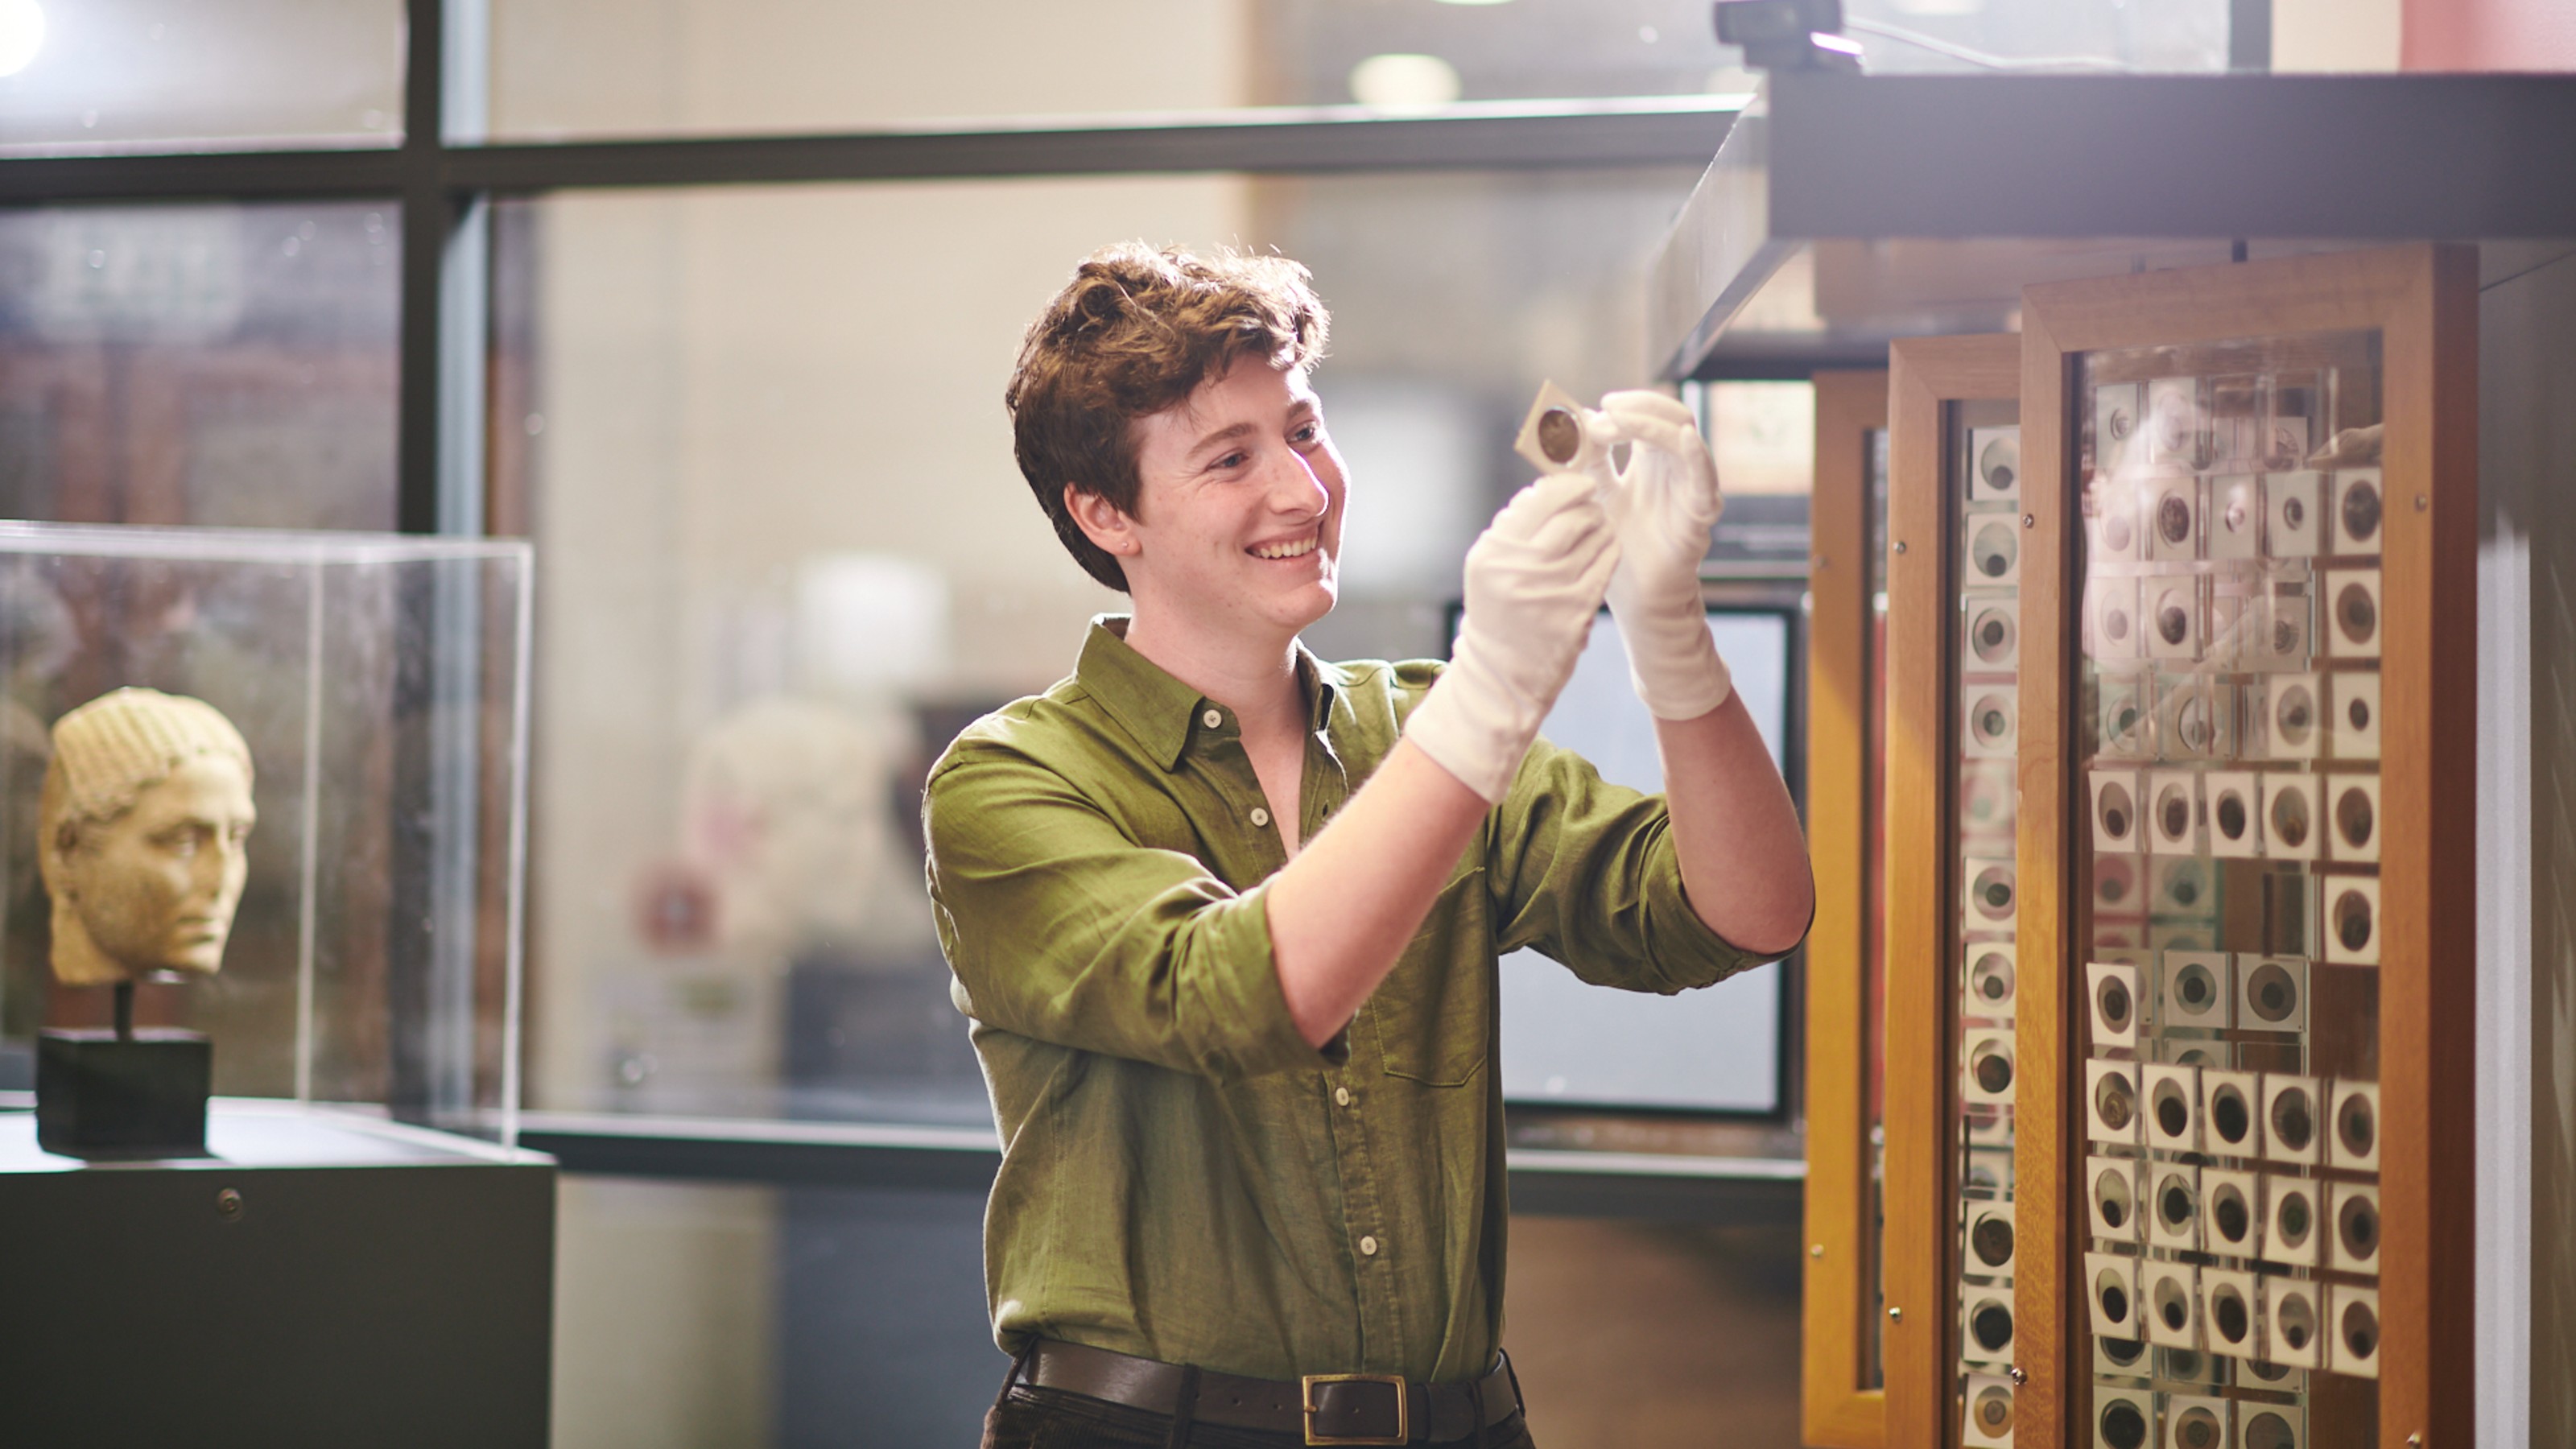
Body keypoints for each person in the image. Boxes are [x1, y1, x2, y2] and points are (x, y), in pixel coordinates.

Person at [925, 244, 1812, 1448]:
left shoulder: (1417, 725)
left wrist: (1671, 635)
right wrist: (1495, 691)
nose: (1300, 491)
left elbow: (1746, 910)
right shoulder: (1011, 782)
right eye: (1231, 459)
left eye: (1303, 430)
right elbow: (1237, 992)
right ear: (1104, 512)